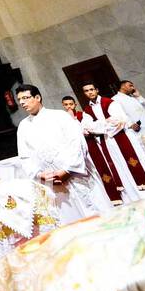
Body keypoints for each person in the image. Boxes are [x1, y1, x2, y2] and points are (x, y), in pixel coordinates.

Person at [14, 83, 107, 225]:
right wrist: (40, 174)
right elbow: (25, 156)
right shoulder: (23, 126)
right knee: (70, 222)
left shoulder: (59, 116)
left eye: (26, 98)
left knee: (94, 213)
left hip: (75, 175)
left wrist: (67, 170)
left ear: (37, 97)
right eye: (19, 99)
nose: (22, 102)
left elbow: (77, 143)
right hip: (51, 182)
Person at [79, 82, 145, 202]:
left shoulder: (109, 103)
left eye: (92, 89)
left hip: (121, 137)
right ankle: (132, 196)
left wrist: (99, 126)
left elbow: (120, 121)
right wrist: (106, 123)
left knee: (133, 162)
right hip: (107, 142)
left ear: (97, 90)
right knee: (119, 167)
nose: (90, 92)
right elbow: (87, 128)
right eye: (86, 91)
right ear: (84, 93)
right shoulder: (87, 110)